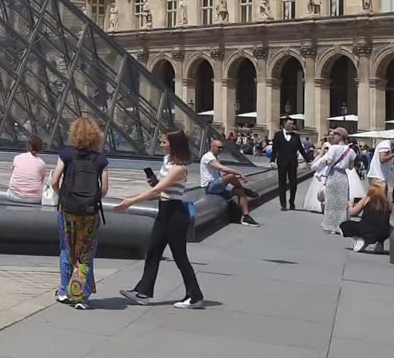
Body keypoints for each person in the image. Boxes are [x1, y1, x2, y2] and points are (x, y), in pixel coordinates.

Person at [118, 130, 204, 309]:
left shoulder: (179, 169)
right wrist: (155, 182)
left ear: (173, 144)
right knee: (153, 251)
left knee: (180, 257)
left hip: (175, 214)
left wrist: (130, 201)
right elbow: (160, 188)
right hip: (164, 211)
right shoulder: (167, 161)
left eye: (164, 142)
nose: (161, 144)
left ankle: (195, 295)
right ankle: (143, 292)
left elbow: (157, 191)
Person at [50, 117, 108, 309]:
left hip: (67, 211)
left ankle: (63, 291)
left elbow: (54, 181)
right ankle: (82, 296)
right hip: (90, 213)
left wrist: (64, 196)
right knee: (86, 254)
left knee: (66, 249)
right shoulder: (100, 159)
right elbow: (105, 189)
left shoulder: (66, 154)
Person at [199, 138, 260, 226]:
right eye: (219, 147)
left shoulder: (216, 157)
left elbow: (222, 171)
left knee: (240, 192)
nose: (221, 150)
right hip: (210, 187)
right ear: (212, 147)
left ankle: (246, 217)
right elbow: (221, 168)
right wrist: (240, 173)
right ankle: (244, 189)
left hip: (217, 186)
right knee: (231, 176)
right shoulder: (208, 157)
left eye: (222, 148)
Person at [313, 127, 356, 235]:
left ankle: (330, 225)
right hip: (343, 176)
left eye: (335, 135)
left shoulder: (333, 148)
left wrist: (324, 161)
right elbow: (351, 167)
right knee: (342, 202)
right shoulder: (350, 151)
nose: (333, 137)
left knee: (331, 201)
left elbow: (329, 161)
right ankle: (341, 226)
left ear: (340, 136)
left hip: (333, 175)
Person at [271, 117, 311, 210]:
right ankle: (283, 204)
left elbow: (301, 149)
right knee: (282, 184)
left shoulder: (296, 136)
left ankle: (291, 201)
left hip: (293, 163)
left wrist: (308, 160)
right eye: (290, 123)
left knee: (293, 184)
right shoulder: (278, 135)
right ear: (284, 124)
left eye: (292, 124)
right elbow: (274, 149)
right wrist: (272, 161)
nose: (292, 125)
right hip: (282, 162)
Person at [341, 181, 393, 253]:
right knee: (383, 225)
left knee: (345, 225)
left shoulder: (367, 199)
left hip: (367, 231)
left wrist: (350, 205)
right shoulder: (387, 203)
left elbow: (352, 212)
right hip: (383, 233)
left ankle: (361, 239)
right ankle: (380, 244)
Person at [7, 134, 49, 202]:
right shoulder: (42, 164)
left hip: (14, 196)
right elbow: (41, 180)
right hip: (35, 198)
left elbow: (13, 173)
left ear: (27, 146)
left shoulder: (17, 158)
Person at [301, 140, 331, 212]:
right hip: (323, 164)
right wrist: (314, 162)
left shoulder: (337, 145)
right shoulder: (325, 144)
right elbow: (320, 155)